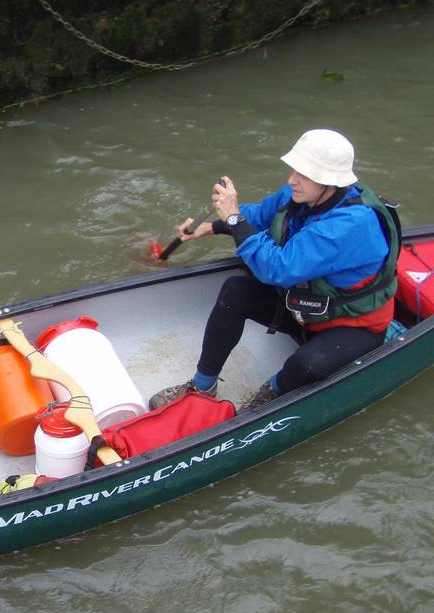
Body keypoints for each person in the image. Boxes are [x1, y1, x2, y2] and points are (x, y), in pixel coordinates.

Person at [149, 128, 400, 412]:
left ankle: (272, 391)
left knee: (307, 365)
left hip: (351, 325)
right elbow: (258, 215)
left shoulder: (350, 226)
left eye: (303, 174)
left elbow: (278, 269)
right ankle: (202, 386)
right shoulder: (302, 193)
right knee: (235, 291)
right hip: (305, 308)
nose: (292, 179)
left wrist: (233, 216)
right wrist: (209, 226)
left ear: (328, 182)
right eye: (294, 170)